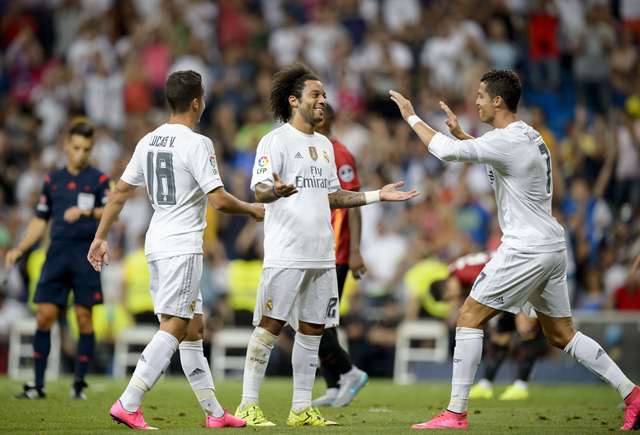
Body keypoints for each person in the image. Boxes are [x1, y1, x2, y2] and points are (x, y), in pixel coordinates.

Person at [389, 69, 640, 431]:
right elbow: (496, 159)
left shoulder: (506, 141)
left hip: (526, 247)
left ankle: (455, 414)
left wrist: (411, 115)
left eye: (480, 95)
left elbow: (444, 152)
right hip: (551, 245)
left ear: (497, 101)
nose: (474, 101)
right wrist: (466, 137)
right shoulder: (526, 135)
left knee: (469, 317)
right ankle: (632, 394)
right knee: (560, 334)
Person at [234, 63, 418, 427]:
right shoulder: (275, 140)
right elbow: (258, 190)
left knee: (313, 331)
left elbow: (333, 197)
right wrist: (276, 191)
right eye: (315, 95)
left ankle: (301, 408)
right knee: (270, 327)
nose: (323, 101)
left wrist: (376, 195)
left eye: (324, 95)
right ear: (293, 101)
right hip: (286, 252)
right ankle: (247, 405)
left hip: (322, 253)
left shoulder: (324, 146)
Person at [87, 70, 264, 430]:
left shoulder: (148, 141)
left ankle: (215, 413)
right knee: (176, 323)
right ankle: (129, 401)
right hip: (182, 246)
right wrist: (252, 209)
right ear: (197, 102)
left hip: (156, 243)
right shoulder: (197, 143)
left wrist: (100, 236)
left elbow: (120, 191)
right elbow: (218, 201)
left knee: (193, 328)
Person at [6, 120, 110, 400]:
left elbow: (111, 211)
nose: (80, 153)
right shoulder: (53, 180)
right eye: (76, 147)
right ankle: (38, 385)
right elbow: (40, 221)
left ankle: (79, 384)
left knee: (84, 318)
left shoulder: (99, 180)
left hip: (86, 254)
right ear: (66, 146)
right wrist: (20, 249)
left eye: (86, 149)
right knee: (44, 316)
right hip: (58, 252)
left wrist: (86, 213)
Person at [312, 103, 368, 408]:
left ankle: (350, 372)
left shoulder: (340, 154)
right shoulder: (314, 152)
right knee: (320, 321)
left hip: (337, 252)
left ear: (325, 120)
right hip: (317, 250)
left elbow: (354, 203)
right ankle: (333, 385)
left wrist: (356, 250)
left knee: (316, 321)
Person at [450, 253, 548, 401]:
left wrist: (522, 310)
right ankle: (485, 385)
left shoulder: (464, 272)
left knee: (527, 331)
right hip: (509, 287)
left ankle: (521, 386)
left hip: (524, 281)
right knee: (499, 338)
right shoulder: (463, 271)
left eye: (449, 295)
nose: (453, 298)